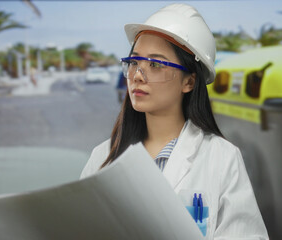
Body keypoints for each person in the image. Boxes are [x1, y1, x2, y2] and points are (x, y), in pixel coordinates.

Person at [80, 3, 269, 239]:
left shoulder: (221, 158)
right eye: (134, 62)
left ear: (189, 82)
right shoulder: (102, 157)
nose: (138, 75)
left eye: (156, 64)